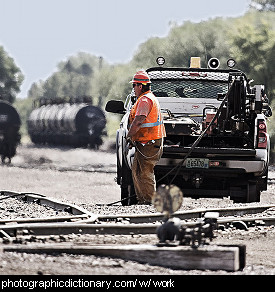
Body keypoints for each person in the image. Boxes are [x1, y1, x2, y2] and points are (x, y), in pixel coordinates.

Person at [126, 70, 166, 204]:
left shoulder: (145, 100)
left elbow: (138, 120)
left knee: (145, 172)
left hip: (149, 142)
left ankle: (148, 201)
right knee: (137, 171)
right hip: (146, 142)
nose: (134, 89)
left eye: (134, 85)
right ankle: (142, 200)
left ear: (140, 86)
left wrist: (129, 135)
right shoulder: (147, 98)